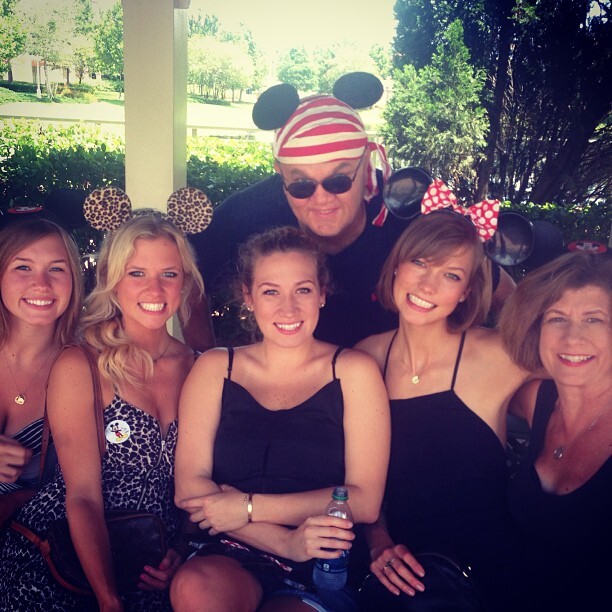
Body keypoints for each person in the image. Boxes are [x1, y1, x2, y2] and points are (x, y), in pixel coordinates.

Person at [184, 78, 515, 351]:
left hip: (394, 382)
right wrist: (200, 357)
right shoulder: (251, 211)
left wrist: (476, 362)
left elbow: (497, 287)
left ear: (366, 165)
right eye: (301, 185)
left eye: (339, 181)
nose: (321, 199)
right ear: (280, 173)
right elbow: (187, 277)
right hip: (296, 383)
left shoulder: (407, 208)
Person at [171, 226, 390, 611]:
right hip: (229, 549)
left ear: (322, 294)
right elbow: (190, 489)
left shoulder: (354, 370)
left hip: (322, 562)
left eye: (302, 290)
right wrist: (282, 541)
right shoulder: (216, 367)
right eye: (271, 291)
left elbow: (365, 501)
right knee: (195, 588)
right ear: (248, 296)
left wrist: (247, 507)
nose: (288, 309)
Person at [0, 214, 204, 611]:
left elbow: (201, 481)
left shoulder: (201, 367)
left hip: (154, 561)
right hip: (59, 559)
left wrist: (183, 547)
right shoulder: (83, 363)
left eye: (169, 274)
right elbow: (82, 496)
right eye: (136, 273)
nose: (154, 289)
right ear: (111, 278)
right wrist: (108, 600)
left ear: (185, 282)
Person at [355, 210, 534, 611]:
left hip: (487, 576)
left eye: (451, 275)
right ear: (397, 264)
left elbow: (584, 362)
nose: (427, 284)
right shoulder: (365, 358)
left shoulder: (498, 353)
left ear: (467, 291)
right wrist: (378, 540)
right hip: (396, 574)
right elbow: (354, 477)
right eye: (419, 262)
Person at [499, 251, 612, 612]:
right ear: (535, 329)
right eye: (557, 318)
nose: (572, 337)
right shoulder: (538, 400)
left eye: (594, 319)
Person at [0, 218, 82, 527]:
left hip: (39, 541)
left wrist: (17, 500)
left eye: (56, 269)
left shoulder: (89, 367)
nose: (42, 284)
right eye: (23, 267)